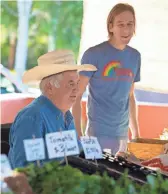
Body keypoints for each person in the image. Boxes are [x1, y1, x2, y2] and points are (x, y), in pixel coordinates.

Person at [8, 50, 97, 168]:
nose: (77, 89)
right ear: (50, 88)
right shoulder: (32, 117)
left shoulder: (67, 116)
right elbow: (26, 170)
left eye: (77, 83)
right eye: (71, 84)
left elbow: (75, 153)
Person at [72, 3, 141, 155]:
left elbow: (130, 96)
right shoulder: (92, 54)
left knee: (119, 177)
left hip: (123, 136)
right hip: (96, 134)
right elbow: (76, 96)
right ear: (111, 27)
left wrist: (136, 134)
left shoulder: (135, 57)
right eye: (120, 24)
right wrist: (78, 133)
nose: (126, 30)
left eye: (130, 24)